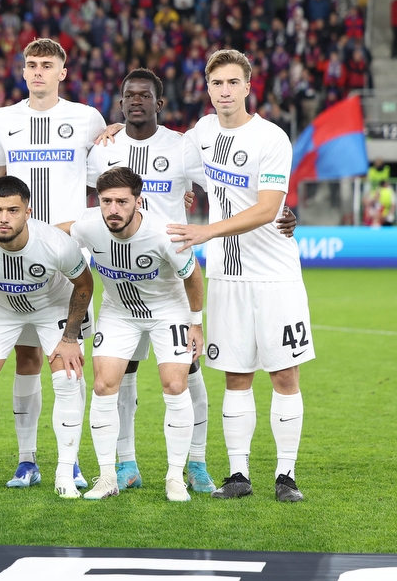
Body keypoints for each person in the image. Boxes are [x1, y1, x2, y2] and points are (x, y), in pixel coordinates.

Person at [93, 69, 299, 493]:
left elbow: (231, 189)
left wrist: (283, 211)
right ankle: (126, 461)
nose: (136, 102)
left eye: (144, 96)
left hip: (174, 281)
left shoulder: (184, 145)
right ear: (119, 103)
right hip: (121, 284)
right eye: (128, 96)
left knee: (188, 372)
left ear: (159, 102)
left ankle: (199, 462)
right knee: (121, 373)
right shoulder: (103, 148)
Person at [168, 49, 314, 502]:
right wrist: (113, 132)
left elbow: (270, 208)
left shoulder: (272, 138)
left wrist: (206, 230)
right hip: (227, 278)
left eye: (233, 82)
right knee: (235, 376)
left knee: (284, 375)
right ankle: (238, 475)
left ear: (248, 87)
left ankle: (286, 475)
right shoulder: (203, 133)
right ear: (207, 89)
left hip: (275, 276)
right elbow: (161, 150)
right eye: (217, 84)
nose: (225, 91)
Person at [0, 38, 105, 489]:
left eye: (46, 65)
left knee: (70, 361)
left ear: (62, 72)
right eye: (31, 65)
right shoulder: (4, 119)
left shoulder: (87, 118)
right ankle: (27, 460)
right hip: (14, 252)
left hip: (68, 257)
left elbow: (107, 172)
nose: (37, 72)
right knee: (27, 357)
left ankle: (70, 462)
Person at [59, 167, 204, 502]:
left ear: (137, 202)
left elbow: (193, 275)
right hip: (119, 312)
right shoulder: (90, 225)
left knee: (175, 384)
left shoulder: (162, 234)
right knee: (102, 384)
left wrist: (195, 323)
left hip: (168, 312)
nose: (113, 209)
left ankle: (174, 478)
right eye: (106, 201)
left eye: (122, 201)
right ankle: (107, 476)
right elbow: (61, 231)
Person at [0, 175, 95, 498]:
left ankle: (66, 469)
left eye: (13, 210)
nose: (4, 218)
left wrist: (70, 337)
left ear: (28, 212)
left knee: (67, 378)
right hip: (1, 310)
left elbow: (85, 285)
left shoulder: (55, 244)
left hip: (52, 307)